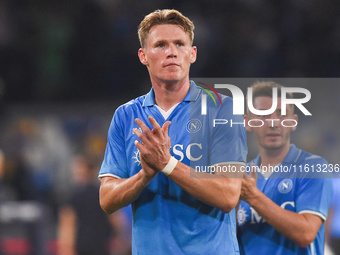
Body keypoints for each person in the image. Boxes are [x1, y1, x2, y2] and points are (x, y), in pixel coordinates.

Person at [99, 9, 247, 254]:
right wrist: (143, 176)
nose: (172, 52)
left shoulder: (223, 110)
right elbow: (107, 199)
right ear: (143, 55)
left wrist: (167, 164)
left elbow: (228, 196)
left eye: (180, 44)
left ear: (192, 53)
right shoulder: (125, 116)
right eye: (160, 45)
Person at [237, 81, 333, 254]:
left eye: (282, 114)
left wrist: (253, 197)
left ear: (293, 122)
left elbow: (305, 233)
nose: (273, 123)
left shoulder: (313, 167)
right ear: (248, 122)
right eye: (263, 115)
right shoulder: (239, 175)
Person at [58, 154, 129, 255]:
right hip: (102, 248)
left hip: (81, 249)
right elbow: (118, 221)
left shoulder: (73, 197)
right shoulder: (102, 194)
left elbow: (68, 224)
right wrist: (120, 239)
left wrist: (66, 248)